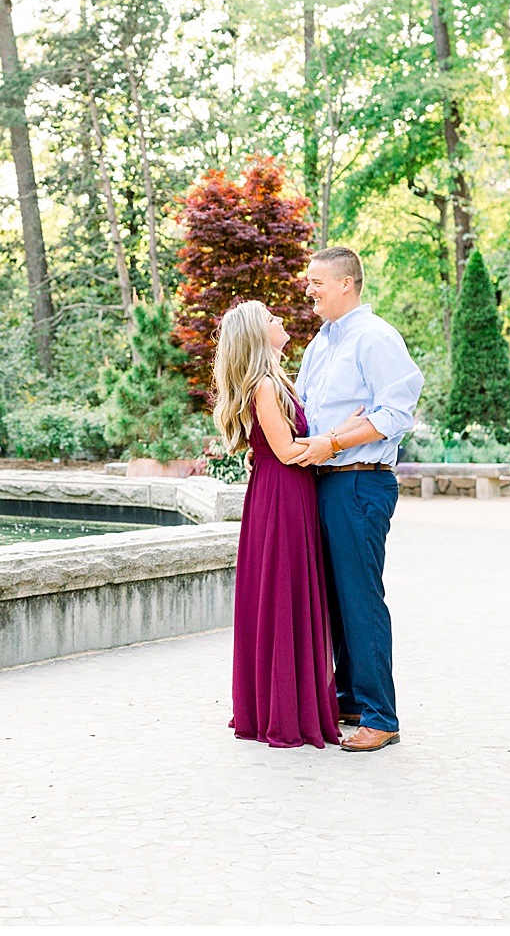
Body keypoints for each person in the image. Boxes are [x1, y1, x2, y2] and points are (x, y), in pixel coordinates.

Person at [292, 246, 424, 753]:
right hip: (322, 482)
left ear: (346, 283)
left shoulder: (376, 338)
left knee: (360, 598)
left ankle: (381, 717)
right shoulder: (319, 345)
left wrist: (334, 443)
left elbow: (395, 413)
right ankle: (347, 699)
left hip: (359, 481)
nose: (309, 290)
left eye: (316, 282)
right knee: (333, 597)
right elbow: (305, 411)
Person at [211, 300, 339, 749]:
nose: (280, 320)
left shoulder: (274, 379)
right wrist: (342, 442)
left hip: (284, 491)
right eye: (270, 318)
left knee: (284, 594)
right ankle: (284, 711)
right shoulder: (265, 384)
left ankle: (277, 702)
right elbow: (286, 451)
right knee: (284, 593)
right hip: (283, 494)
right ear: (257, 334)